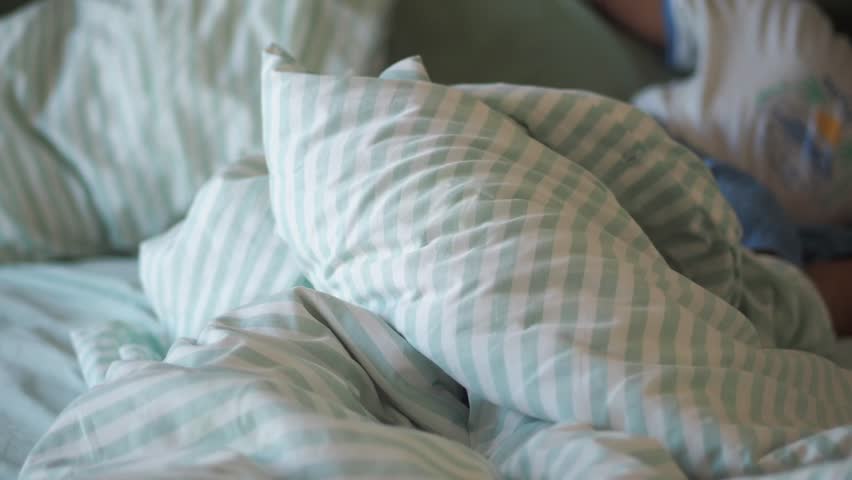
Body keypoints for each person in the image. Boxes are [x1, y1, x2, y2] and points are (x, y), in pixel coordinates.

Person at [595, 0, 852, 336]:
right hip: (681, 158)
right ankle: (760, 303)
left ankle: (764, 307)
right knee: (758, 213)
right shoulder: (781, 23)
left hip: (794, 246)